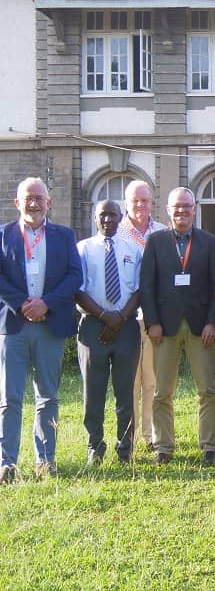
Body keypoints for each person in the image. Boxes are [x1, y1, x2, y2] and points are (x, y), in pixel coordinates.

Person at [0, 178, 82, 483]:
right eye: (28, 198)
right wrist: (23, 303)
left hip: (50, 325)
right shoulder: (3, 235)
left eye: (39, 198)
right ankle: (7, 463)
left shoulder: (65, 235)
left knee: (47, 396)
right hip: (14, 326)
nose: (33, 203)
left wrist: (46, 303)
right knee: (9, 398)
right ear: (17, 203)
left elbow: (75, 276)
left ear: (49, 203)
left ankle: (45, 461)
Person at [139, 187, 215, 465]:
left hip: (201, 327)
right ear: (168, 210)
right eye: (177, 206)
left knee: (207, 390)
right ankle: (164, 446)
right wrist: (152, 322)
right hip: (164, 327)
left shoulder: (209, 242)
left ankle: (209, 446)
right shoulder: (155, 241)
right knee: (162, 391)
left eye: (187, 206)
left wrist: (213, 321)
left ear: (194, 209)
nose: (182, 211)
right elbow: (146, 285)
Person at [75, 201, 143, 466]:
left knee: (125, 392)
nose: (107, 219)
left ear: (121, 217)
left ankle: (125, 449)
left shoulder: (133, 249)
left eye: (112, 215)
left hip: (126, 326)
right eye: (102, 215)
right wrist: (105, 316)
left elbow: (139, 290)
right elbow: (78, 290)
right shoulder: (83, 249)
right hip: (93, 325)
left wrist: (120, 318)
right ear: (95, 217)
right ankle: (95, 446)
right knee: (93, 391)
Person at [118, 180, 167, 453]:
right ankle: (131, 435)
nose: (140, 205)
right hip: (125, 318)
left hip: (154, 318)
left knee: (152, 380)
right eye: (135, 200)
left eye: (145, 200)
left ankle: (150, 435)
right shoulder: (116, 232)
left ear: (152, 203)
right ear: (126, 203)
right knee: (130, 381)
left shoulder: (161, 232)